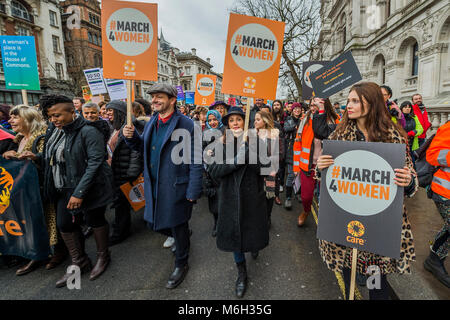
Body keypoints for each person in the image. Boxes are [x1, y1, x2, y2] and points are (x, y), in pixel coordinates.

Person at [316, 82, 417, 300]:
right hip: (344, 226)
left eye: (354, 101)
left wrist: (408, 179)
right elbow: (326, 179)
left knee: (377, 287)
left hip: (377, 228)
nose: (348, 105)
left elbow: (411, 180)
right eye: (348, 101)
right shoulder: (339, 135)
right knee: (349, 283)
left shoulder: (393, 136)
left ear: (371, 104)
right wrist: (321, 167)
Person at [22, 95, 114, 287]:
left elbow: (96, 162)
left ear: (73, 112)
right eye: (50, 116)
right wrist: (37, 157)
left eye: (57, 115)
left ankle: (103, 257)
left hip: (90, 187)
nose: (53, 120)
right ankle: (79, 262)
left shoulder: (89, 131)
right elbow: (54, 155)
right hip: (63, 187)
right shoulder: (54, 131)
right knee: (65, 224)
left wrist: (79, 193)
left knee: (94, 220)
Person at [122, 83, 203, 289]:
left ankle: (181, 263)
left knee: (178, 224)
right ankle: (180, 237)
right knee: (153, 223)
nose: (154, 100)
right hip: (153, 184)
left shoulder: (187, 124)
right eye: (153, 97)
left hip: (177, 186)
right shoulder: (152, 121)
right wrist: (130, 138)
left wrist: (193, 190)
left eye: (159, 97)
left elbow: (195, 160)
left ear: (172, 100)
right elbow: (143, 148)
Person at [207, 106, 269, 298]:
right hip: (230, 200)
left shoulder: (256, 143)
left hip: (252, 198)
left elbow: (264, 169)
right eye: (231, 120)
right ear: (227, 125)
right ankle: (241, 272)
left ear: (245, 122)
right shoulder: (220, 145)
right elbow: (214, 171)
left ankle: (254, 245)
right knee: (235, 239)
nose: (235, 123)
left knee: (251, 234)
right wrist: (235, 161)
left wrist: (249, 152)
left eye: (239, 119)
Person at [2, 105, 66, 275]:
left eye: (15, 117)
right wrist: (11, 155)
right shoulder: (19, 139)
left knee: (49, 217)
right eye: (10, 117)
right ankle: (38, 254)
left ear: (28, 119)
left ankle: (59, 252)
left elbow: (50, 161)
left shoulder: (42, 136)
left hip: (43, 187)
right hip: (26, 190)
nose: (10, 121)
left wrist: (35, 158)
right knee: (34, 221)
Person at [293, 97, 339, 227]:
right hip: (307, 165)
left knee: (328, 198)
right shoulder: (305, 121)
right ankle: (306, 211)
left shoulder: (335, 120)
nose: (312, 107)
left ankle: (328, 222)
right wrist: (296, 166)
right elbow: (297, 145)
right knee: (306, 197)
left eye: (316, 104)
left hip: (328, 165)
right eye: (311, 105)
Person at [106, 101, 144, 246]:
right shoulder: (115, 128)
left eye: (111, 111)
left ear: (119, 113)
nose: (108, 113)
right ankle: (120, 228)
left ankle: (120, 232)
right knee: (120, 204)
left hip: (125, 173)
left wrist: (131, 173)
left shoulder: (129, 128)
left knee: (121, 205)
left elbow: (135, 151)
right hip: (116, 170)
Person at [424, 120, 450, 288]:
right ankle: (434, 259)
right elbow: (432, 155)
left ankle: (434, 259)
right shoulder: (448, 127)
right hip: (445, 191)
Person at [254, 110, 281, 227]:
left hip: (270, 171)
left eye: (258, 119)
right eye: (255, 119)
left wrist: (272, 171)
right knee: (257, 195)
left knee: (269, 195)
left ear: (264, 121)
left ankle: (267, 216)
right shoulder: (251, 134)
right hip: (255, 171)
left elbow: (276, 154)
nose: (255, 122)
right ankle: (257, 217)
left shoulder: (273, 134)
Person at [203, 109, 225, 237]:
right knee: (214, 200)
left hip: (224, 171)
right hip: (211, 172)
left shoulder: (226, 132)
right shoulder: (204, 133)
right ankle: (216, 223)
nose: (212, 122)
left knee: (225, 199)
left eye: (214, 119)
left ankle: (225, 223)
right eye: (210, 120)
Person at [283, 102, 304, 209]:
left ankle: (298, 193)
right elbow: (286, 129)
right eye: (295, 109)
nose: (297, 110)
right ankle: (288, 198)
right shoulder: (288, 119)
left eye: (298, 108)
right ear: (292, 110)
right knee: (291, 174)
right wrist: (297, 125)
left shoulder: (304, 119)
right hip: (291, 149)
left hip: (303, 150)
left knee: (300, 173)